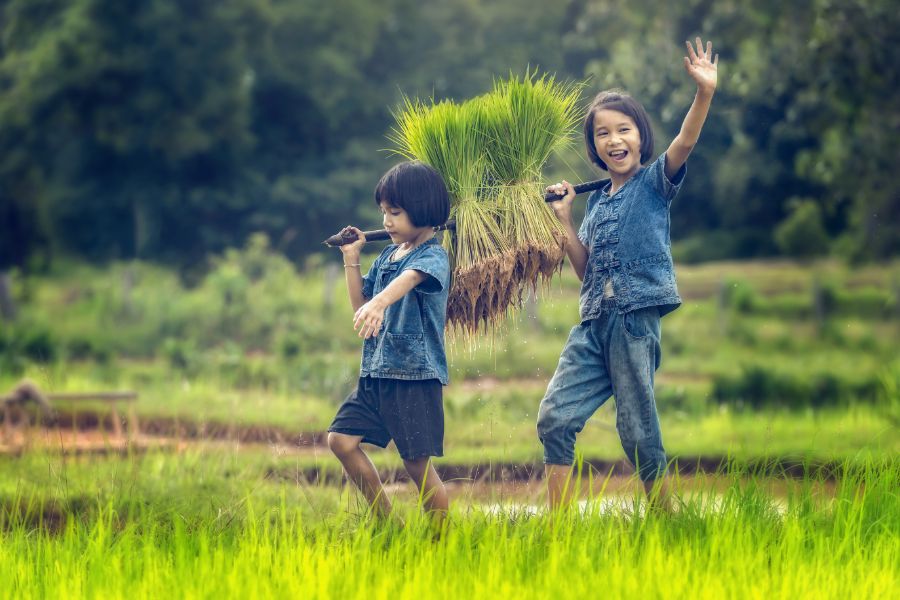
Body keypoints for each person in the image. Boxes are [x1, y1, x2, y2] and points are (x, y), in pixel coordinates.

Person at [537, 38, 719, 511]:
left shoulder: (656, 182)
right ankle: (556, 529)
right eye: (602, 134)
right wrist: (563, 219)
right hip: (593, 324)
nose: (614, 140)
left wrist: (703, 94)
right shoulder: (596, 204)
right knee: (554, 419)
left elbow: (686, 141)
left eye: (624, 130)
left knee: (636, 429)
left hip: (635, 322)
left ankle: (665, 515)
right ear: (594, 147)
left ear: (641, 135)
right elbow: (585, 272)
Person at [327, 160, 452, 525]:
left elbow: (411, 280)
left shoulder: (432, 255)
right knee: (341, 440)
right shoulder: (385, 256)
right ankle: (386, 523)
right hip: (377, 373)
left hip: (414, 376)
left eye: (395, 213)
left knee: (417, 466)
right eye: (383, 212)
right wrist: (352, 260)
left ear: (424, 211)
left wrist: (381, 302)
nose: (386, 222)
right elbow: (360, 306)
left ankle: (440, 547)